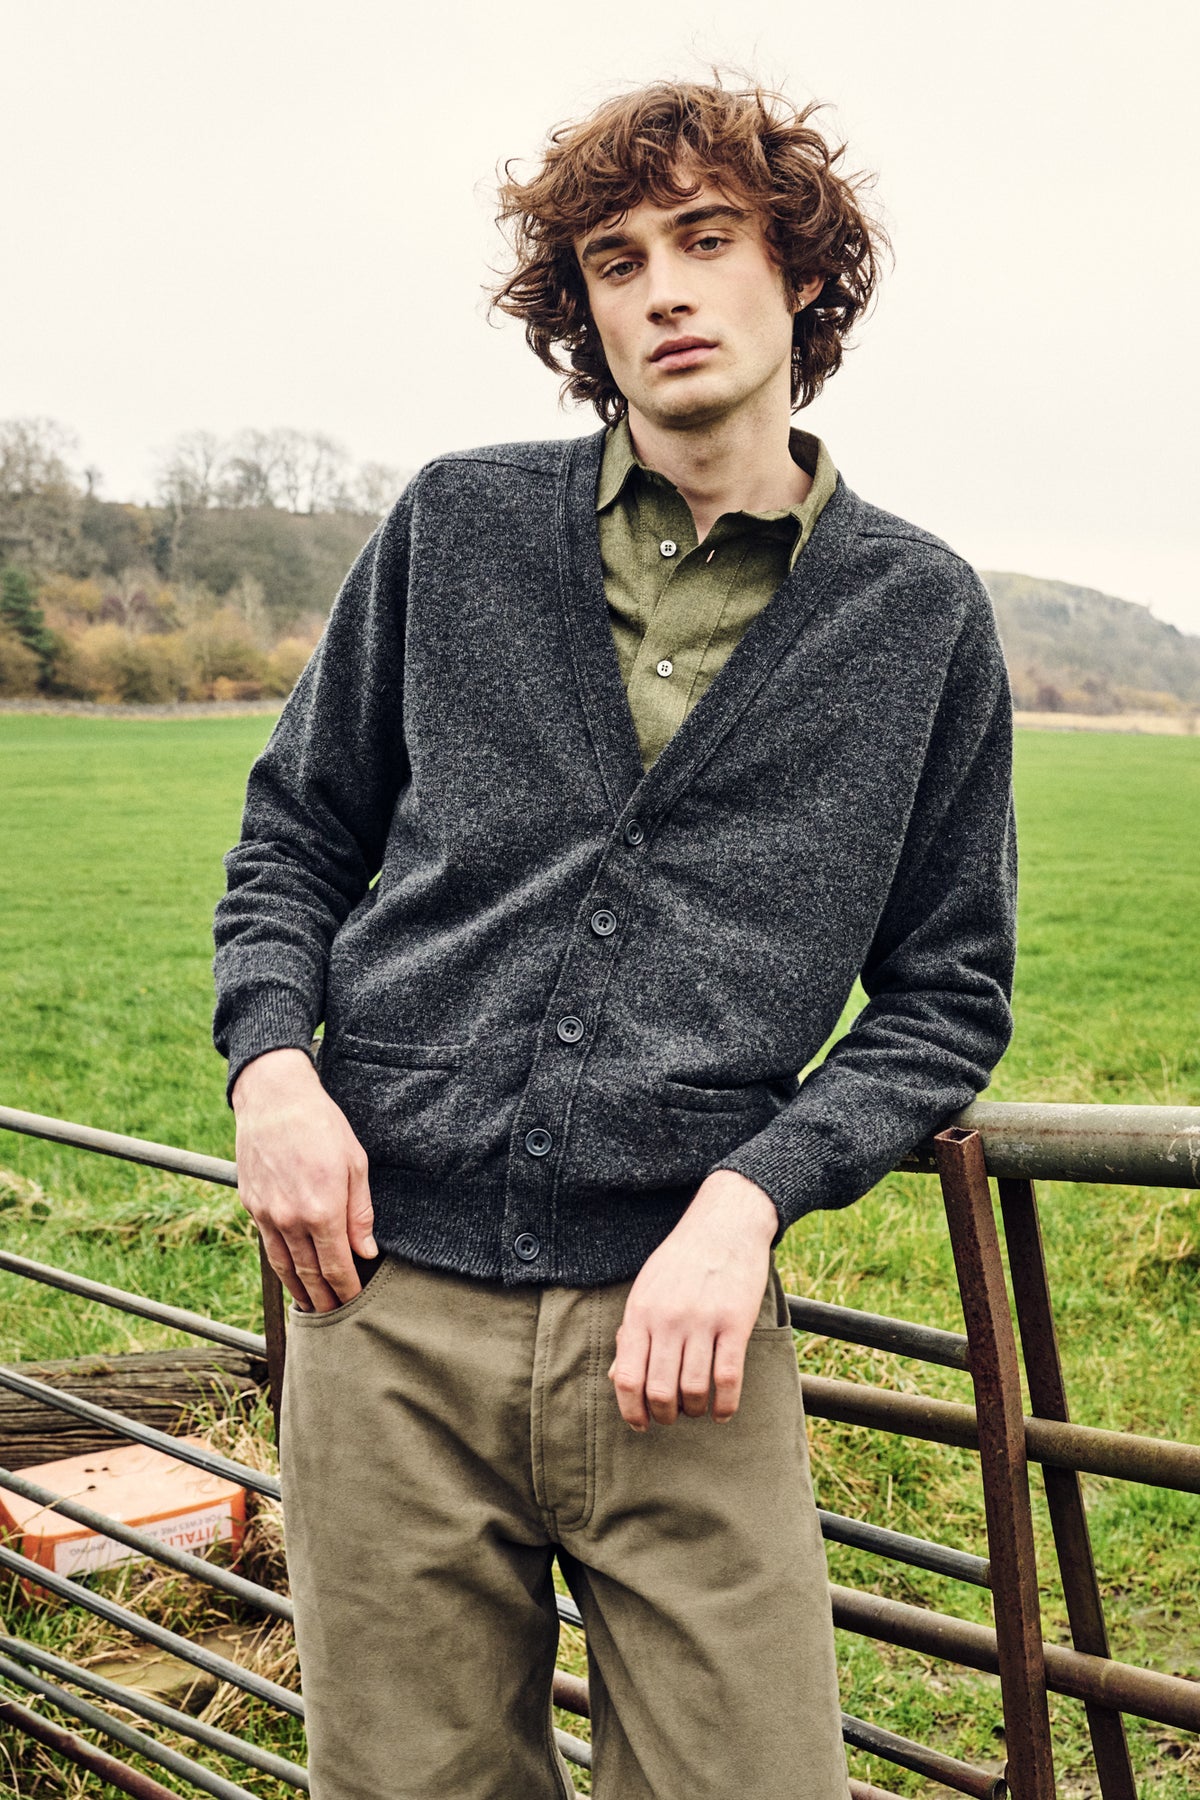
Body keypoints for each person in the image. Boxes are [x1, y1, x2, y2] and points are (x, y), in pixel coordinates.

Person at [213, 77, 1016, 1800]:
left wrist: (749, 1200)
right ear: (580, 309)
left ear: (801, 274)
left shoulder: (919, 615)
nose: (660, 287)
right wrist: (271, 1064)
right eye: (612, 257)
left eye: (707, 240)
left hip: (687, 1335)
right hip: (382, 1312)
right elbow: (295, 834)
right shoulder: (457, 525)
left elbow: (949, 995)